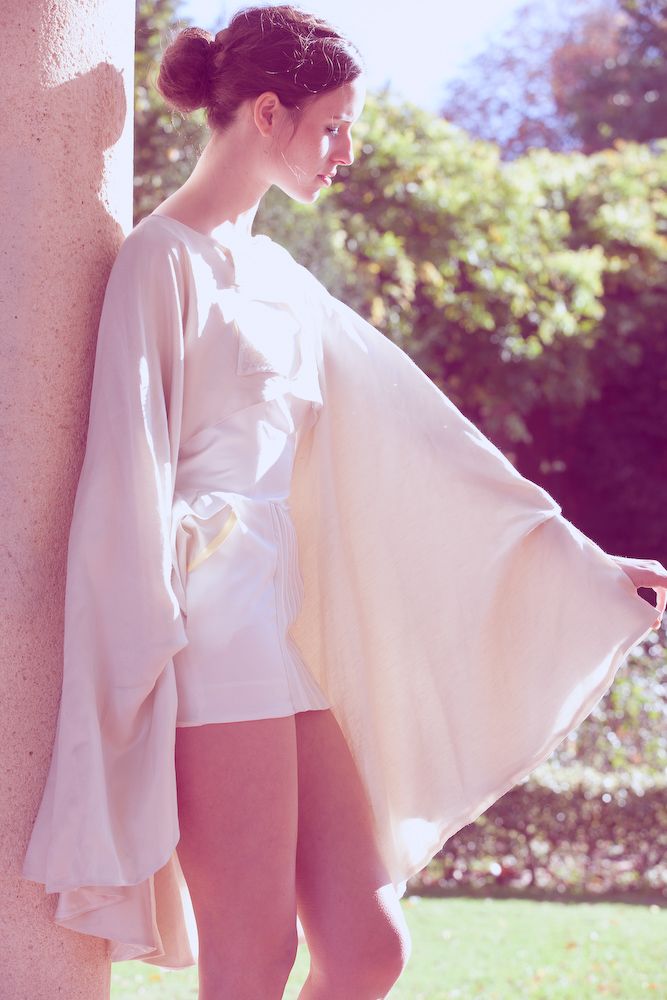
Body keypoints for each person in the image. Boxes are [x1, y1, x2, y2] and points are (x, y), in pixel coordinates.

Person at [21, 4, 667, 999]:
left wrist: (578, 560)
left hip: (278, 631)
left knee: (368, 950)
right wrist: (133, 677)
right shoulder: (160, 259)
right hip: (204, 638)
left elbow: (424, 440)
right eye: (333, 126)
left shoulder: (280, 277)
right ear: (266, 113)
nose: (347, 153)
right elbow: (125, 470)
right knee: (253, 957)